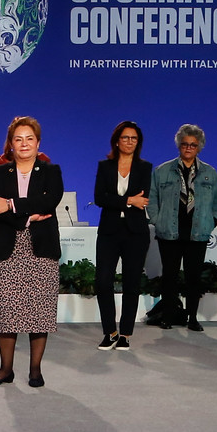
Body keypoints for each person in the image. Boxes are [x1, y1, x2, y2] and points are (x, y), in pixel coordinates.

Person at [0, 116, 63, 388]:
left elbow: (50, 201)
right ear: (11, 144)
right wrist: (29, 216)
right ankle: (6, 370)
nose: (24, 143)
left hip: (42, 248)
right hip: (9, 247)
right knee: (8, 311)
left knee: (39, 309)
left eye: (29, 138)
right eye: (18, 139)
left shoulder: (51, 172)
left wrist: (13, 206)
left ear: (38, 143)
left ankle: (35, 370)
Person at [150, 125, 217, 332]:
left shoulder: (210, 172)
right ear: (179, 145)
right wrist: (157, 220)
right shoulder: (163, 170)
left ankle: (192, 318)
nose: (188, 148)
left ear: (199, 147)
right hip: (169, 233)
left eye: (193, 144)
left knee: (193, 278)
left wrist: (212, 221)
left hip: (197, 233)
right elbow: (152, 199)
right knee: (170, 277)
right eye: (184, 144)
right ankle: (167, 315)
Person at [91, 121, 151, 349]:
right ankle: (110, 331)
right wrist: (128, 201)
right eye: (125, 138)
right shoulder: (105, 166)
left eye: (133, 139)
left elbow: (142, 200)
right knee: (103, 281)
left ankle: (126, 333)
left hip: (136, 233)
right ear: (117, 141)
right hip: (109, 232)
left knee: (131, 283)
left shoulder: (145, 168)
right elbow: (99, 198)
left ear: (138, 143)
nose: (129, 142)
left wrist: (119, 202)